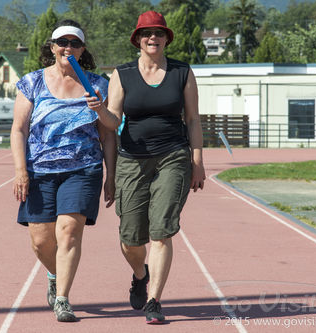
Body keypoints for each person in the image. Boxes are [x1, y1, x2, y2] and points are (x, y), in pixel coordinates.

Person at [86, 10, 206, 324]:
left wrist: (197, 161)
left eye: (158, 33)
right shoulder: (122, 74)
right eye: (146, 34)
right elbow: (112, 122)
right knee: (130, 238)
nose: (153, 38)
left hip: (173, 156)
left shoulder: (182, 72)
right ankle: (141, 274)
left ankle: (154, 300)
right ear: (138, 40)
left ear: (167, 38)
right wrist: (100, 110)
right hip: (131, 160)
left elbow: (192, 120)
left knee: (161, 231)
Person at [10, 19, 116, 322]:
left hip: (83, 168)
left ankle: (62, 299)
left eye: (74, 43)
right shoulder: (32, 82)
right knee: (41, 241)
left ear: (82, 50)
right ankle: (54, 274)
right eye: (62, 43)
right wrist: (21, 171)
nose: (67, 48)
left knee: (68, 232)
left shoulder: (97, 84)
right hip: (39, 170)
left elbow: (110, 131)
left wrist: (111, 174)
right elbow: (18, 130)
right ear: (52, 47)